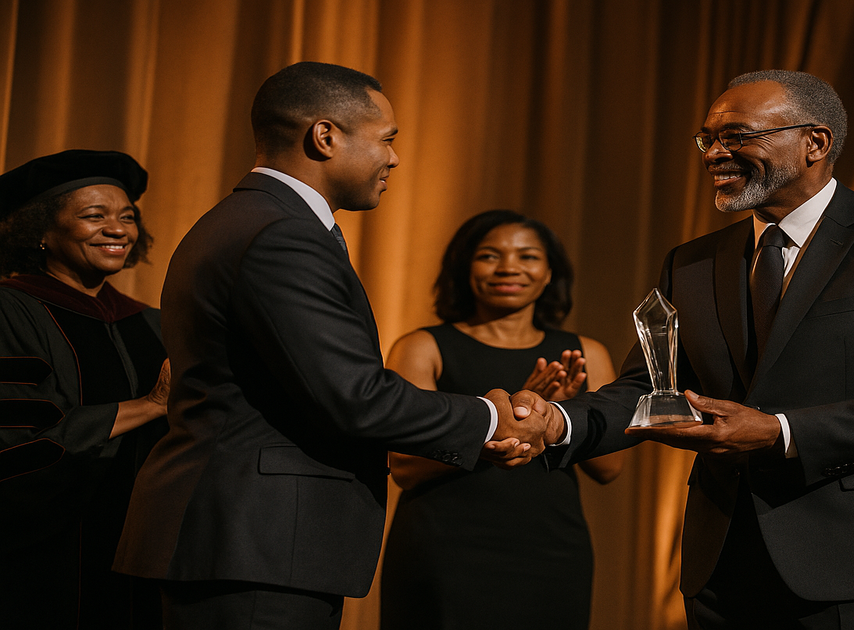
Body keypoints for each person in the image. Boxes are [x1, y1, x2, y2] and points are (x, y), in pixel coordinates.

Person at [542, 70, 854, 629]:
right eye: (707, 139)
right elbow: (647, 390)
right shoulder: (692, 261)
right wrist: (556, 423)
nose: (714, 153)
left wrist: (781, 432)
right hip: (723, 567)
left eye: (737, 136)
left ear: (816, 143)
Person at [111, 62, 550, 630]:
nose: (394, 158)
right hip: (255, 544)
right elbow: (354, 395)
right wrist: (490, 418)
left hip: (250, 541)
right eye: (387, 140)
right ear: (325, 136)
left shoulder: (252, 218)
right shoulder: (280, 234)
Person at [379, 209, 624, 630]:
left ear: (549, 273)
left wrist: (561, 418)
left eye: (527, 257)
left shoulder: (587, 352)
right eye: (490, 255)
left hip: (550, 552)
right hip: (443, 548)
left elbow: (609, 468)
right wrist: (507, 418)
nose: (508, 267)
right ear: (464, 266)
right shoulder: (422, 347)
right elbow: (404, 468)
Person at [0, 149, 171, 629]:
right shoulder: (11, 311)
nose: (117, 229)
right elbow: (17, 446)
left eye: (127, 217)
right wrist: (151, 405)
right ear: (39, 231)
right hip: (43, 557)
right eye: (94, 216)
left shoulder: (156, 325)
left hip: (146, 553)